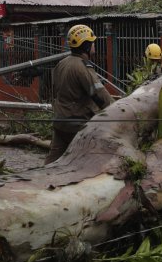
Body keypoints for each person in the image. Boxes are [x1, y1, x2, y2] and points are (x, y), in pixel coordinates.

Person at [45, 24, 113, 164]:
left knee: (52, 161)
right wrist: (118, 109)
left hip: (60, 120)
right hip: (77, 124)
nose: (94, 45)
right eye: (92, 42)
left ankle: (39, 182)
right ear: (86, 46)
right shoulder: (82, 67)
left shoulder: (62, 64)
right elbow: (100, 95)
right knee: (88, 161)